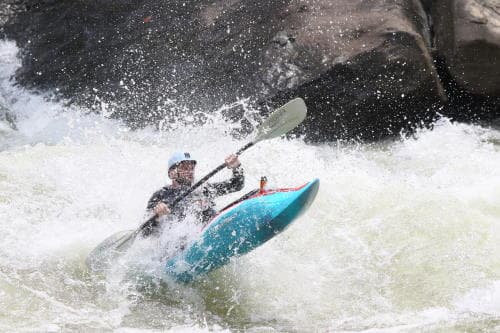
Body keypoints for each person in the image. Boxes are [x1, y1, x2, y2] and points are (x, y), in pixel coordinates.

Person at [143, 151, 244, 235]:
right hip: (180, 244)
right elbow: (145, 232)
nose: (190, 171)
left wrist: (236, 167)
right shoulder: (161, 195)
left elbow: (236, 185)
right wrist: (157, 216)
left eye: (192, 168)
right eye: (185, 168)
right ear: (171, 173)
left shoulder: (203, 189)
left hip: (208, 232)